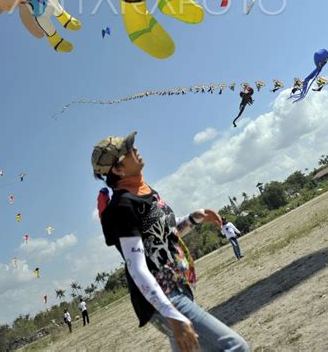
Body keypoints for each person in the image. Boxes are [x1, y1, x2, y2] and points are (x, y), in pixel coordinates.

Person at [92, 131, 249, 352]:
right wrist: (171, 313)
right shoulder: (122, 207)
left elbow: (165, 235)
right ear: (117, 169)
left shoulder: (147, 193)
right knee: (235, 347)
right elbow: (136, 268)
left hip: (178, 287)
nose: (134, 150)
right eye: (127, 151)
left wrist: (194, 218)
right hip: (165, 297)